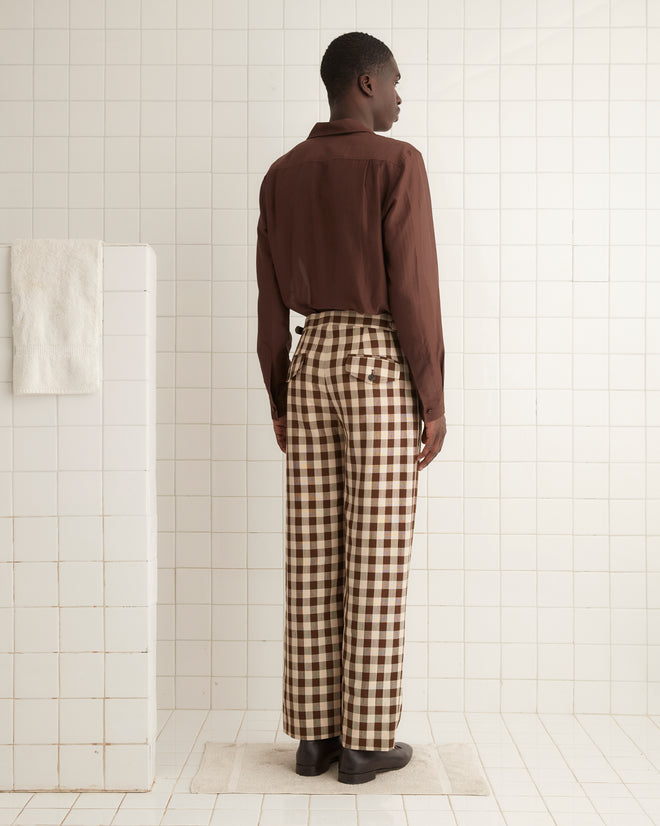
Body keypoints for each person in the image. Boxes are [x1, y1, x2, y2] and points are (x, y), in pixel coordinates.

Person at [256, 31, 446, 785]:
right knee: (375, 555)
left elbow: (270, 300)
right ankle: (366, 742)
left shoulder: (280, 174)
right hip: (376, 364)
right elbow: (414, 290)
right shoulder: (398, 163)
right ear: (364, 84)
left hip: (309, 364)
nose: (401, 95)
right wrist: (430, 397)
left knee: (312, 553)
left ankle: (314, 739)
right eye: (396, 82)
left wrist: (279, 390)